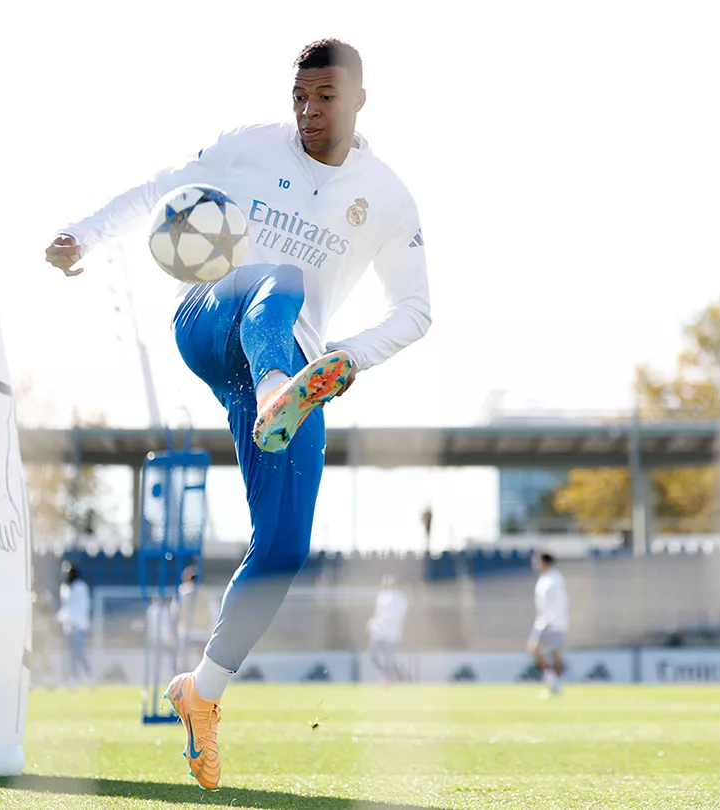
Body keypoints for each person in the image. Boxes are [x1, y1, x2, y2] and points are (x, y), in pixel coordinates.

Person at [46, 38, 431, 790]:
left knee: (283, 549)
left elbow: (417, 310)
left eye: (324, 97)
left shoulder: (386, 197)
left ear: (357, 99)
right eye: (300, 96)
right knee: (278, 279)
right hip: (213, 321)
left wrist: (346, 358)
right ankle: (276, 389)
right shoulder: (250, 147)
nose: (308, 111)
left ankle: (203, 693)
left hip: (294, 364)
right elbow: (164, 185)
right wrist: (84, 237)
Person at [529, 553, 568, 696]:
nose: (535, 565)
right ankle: (552, 680)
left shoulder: (555, 580)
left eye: (537, 562)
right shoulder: (544, 579)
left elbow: (559, 603)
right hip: (542, 622)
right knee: (534, 649)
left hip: (554, 623)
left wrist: (552, 621)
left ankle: (557, 684)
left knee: (555, 653)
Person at [365, 575, 409, 685]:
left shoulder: (401, 598)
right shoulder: (381, 597)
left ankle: (387, 679)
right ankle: (394, 675)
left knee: (388, 659)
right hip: (379, 631)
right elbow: (377, 613)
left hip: (392, 633)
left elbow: (399, 615)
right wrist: (371, 623)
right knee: (373, 655)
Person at [56, 561, 93, 689]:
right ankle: (74, 679)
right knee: (72, 653)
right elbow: (66, 607)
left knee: (78, 652)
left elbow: (82, 607)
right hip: (68, 627)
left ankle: (87, 675)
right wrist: (59, 618)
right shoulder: (64, 588)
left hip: (78, 626)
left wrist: (75, 621)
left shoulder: (81, 587)